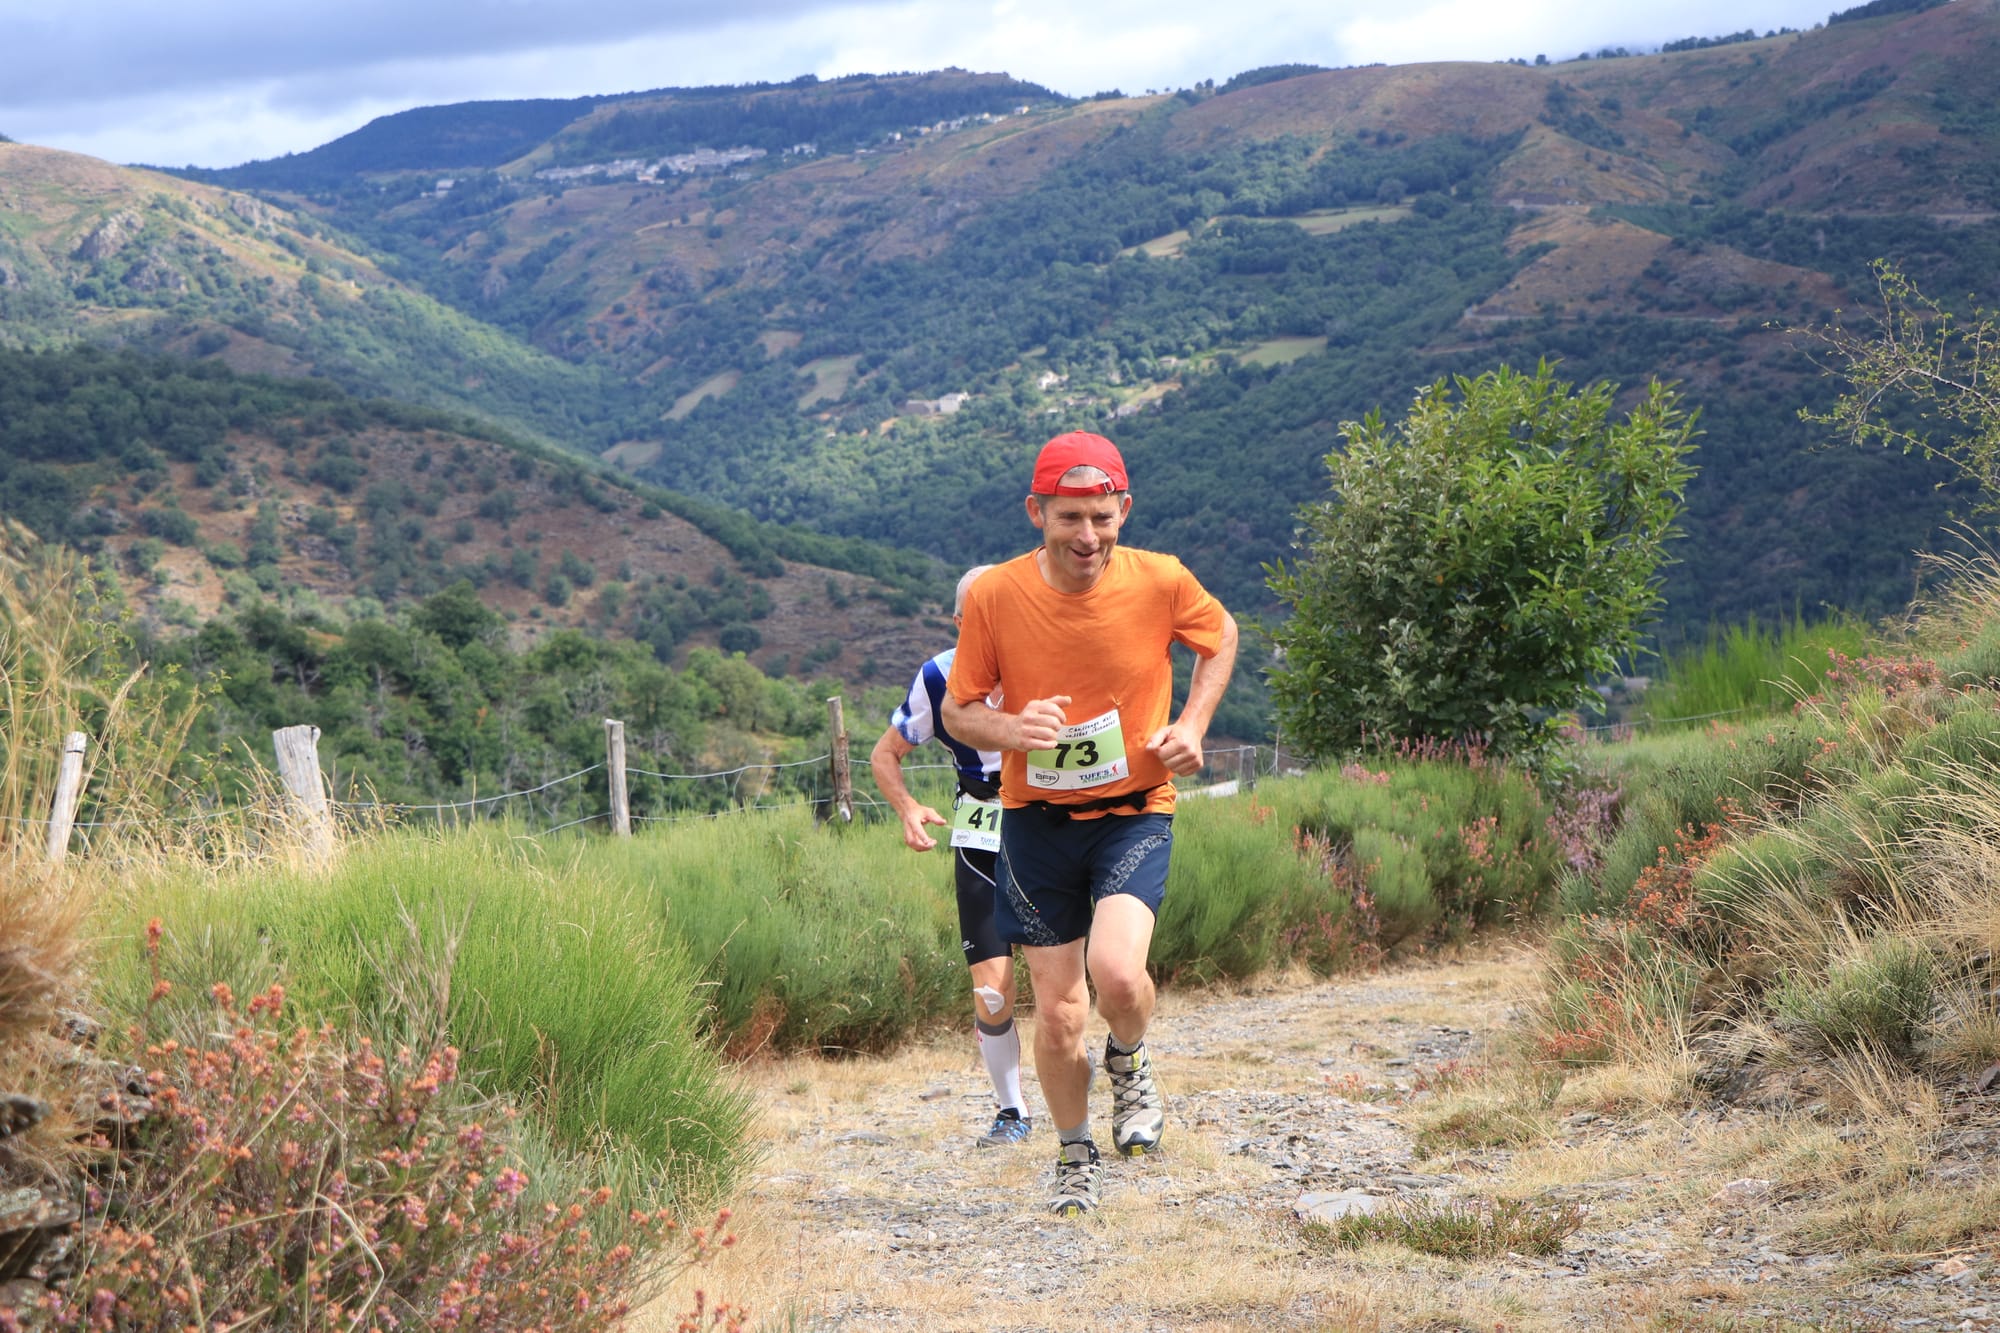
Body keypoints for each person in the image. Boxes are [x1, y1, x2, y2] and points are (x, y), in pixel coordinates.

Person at [941, 430, 1237, 1217]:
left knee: (1119, 975)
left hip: (1134, 811)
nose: (1087, 536)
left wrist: (1193, 724)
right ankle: (1075, 1153)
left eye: (1102, 517)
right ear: (1035, 512)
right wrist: (1012, 729)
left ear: (1124, 509)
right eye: (1069, 517)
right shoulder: (996, 596)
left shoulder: (1161, 579)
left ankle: (1129, 1059)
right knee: (1060, 1010)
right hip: (1035, 823)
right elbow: (959, 710)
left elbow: (1221, 637)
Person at [869, 565, 1031, 1148]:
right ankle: (1012, 1111)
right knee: (992, 988)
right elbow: (885, 754)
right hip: (981, 826)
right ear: (959, 622)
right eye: (979, 618)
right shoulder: (937, 676)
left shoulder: (1049, 659)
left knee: (1066, 982)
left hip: (1049, 825)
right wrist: (908, 807)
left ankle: (1094, 1067)